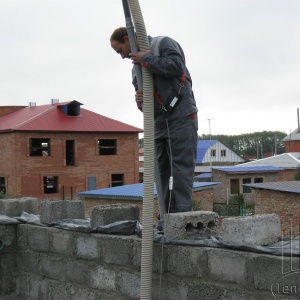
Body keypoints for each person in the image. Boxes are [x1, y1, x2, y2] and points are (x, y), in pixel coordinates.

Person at [110, 27, 198, 219]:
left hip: (182, 118)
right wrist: (140, 101)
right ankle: (166, 216)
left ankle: (181, 217)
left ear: (127, 39)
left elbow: (177, 66)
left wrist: (145, 59)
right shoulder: (136, 70)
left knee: (181, 170)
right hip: (159, 123)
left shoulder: (162, 44)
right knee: (162, 172)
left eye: (120, 50)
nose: (122, 56)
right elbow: (144, 104)